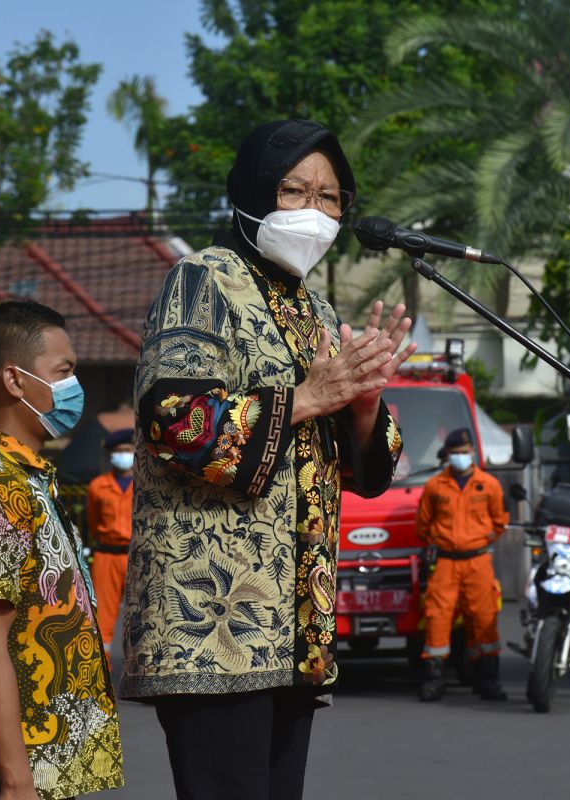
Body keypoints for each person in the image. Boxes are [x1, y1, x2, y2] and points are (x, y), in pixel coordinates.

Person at [121, 119, 412, 800]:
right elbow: (176, 421)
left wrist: (363, 404)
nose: (315, 211)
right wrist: (309, 396)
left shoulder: (311, 304)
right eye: (294, 190)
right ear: (254, 191)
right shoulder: (202, 281)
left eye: (331, 197)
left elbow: (360, 469)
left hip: (291, 629)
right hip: (209, 625)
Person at [0, 300, 123, 800]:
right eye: (64, 371)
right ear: (14, 381)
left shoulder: (25, 478)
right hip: (6, 776)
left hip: (43, 765)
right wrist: (16, 780)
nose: (73, 387)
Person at [416, 428, 510, 702]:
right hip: (445, 562)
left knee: (484, 619)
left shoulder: (489, 484)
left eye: (464, 452)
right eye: (455, 453)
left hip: (478, 561)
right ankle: (434, 681)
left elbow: (500, 521)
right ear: (447, 455)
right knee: (437, 618)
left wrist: (478, 541)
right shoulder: (435, 486)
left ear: (473, 453)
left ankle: (487, 680)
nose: (460, 457)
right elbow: (423, 525)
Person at [87, 427, 135, 657]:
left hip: (136, 556)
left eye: (127, 449)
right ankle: (102, 667)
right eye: (118, 450)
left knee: (143, 613)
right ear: (110, 454)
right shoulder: (97, 486)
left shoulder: (143, 484)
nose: (123, 454)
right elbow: (93, 523)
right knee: (102, 616)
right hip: (106, 555)